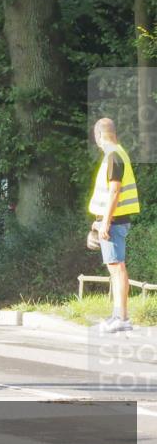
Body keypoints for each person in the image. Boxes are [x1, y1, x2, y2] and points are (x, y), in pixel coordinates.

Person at [90, 118, 141, 333]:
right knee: (116, 268)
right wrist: (96, 223)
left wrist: (105, 222)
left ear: (99, 136)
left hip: (114, 221)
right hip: (114, 220)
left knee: (117, 268)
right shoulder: (117, 153)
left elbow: (114, 192)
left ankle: (122, 318)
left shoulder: (112, 155)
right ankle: (117, 316)